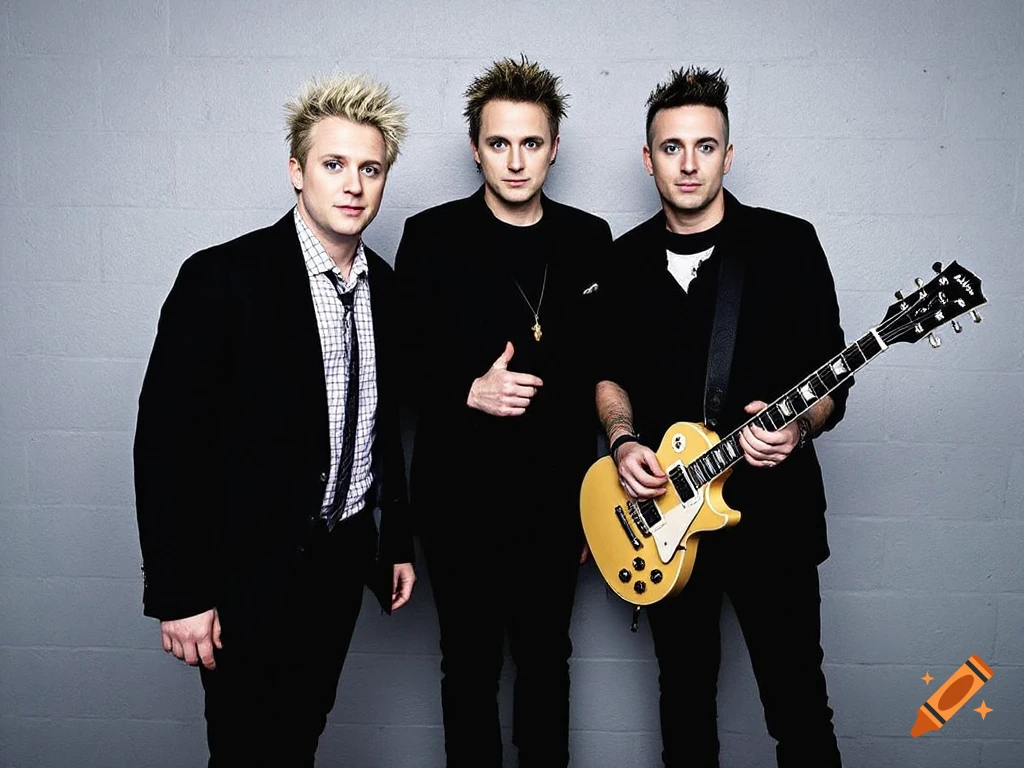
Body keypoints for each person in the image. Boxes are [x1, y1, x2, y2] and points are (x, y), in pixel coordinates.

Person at [133, 73, 416, 766]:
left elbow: (385, 429)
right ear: (296, 171)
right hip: (244, 575)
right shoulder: (222, 279)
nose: (353, 184)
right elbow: (165, 445)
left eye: (370, 168)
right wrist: (180, 593)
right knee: (243, 751)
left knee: (298, 741)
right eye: (333, 164)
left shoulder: (390, 289)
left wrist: (393, 542)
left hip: (339, 565)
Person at [596, 66, 849, 767]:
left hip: (775, 521)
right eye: (671, 147)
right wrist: (621, 442)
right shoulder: (623, 262)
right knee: (683, 705)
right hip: (670, 523)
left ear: (728, 156)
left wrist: (800, 426)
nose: (688, 163)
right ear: (648, 159)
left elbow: (832, 379)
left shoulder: (787, 245)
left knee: (798, 708)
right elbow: (608, 374)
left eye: (705, 147)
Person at [394, 55, 612, 768]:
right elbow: (396, 365)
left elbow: (602, 373)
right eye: (498, 143)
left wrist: (595, 506)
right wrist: (468, 389)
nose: (515, 161)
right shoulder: (429, 237)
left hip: (558, 505)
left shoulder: (590, 238)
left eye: (530, 143)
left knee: (549, 667)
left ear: (554, 146)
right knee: (469, 673)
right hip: (459, 503)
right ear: (474, 147)